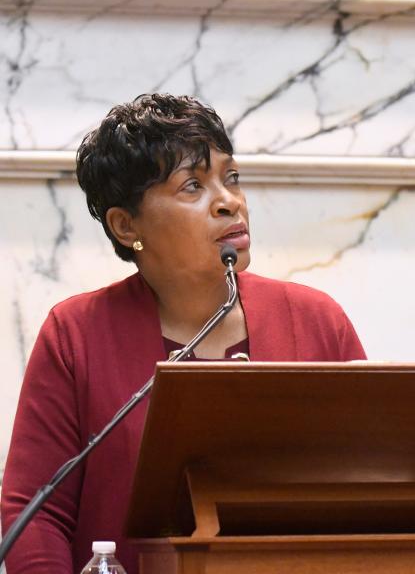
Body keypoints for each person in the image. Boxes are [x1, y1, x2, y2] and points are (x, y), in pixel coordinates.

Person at [0, 94, 366, 574]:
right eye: (192, 186)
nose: (228, 201)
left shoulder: (316, 322)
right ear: (126, 224)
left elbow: (370, 493)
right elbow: (37, 515)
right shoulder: (76, 335)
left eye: (230, 177)